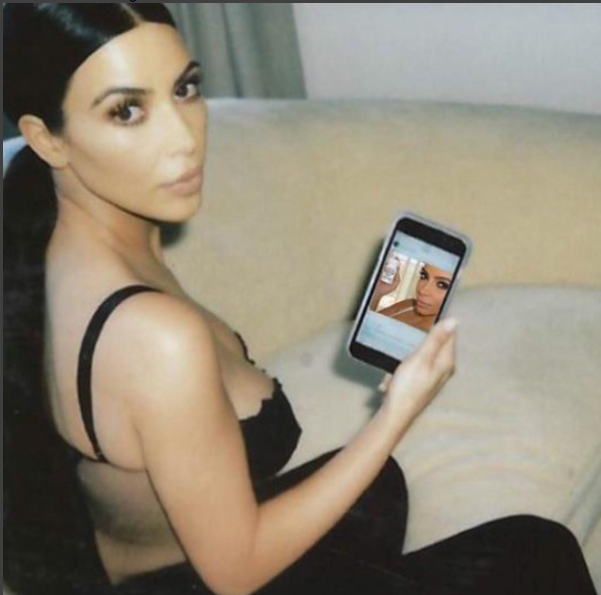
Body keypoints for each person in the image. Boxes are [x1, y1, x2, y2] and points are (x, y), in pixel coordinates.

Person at [3, 5, 597, 595]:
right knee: (536, 552)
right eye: (127, 110)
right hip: (211, 578)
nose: (184, 139)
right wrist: (398, 413)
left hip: (162, 558)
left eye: (185, 89)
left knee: (393, 495)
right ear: (46, 138)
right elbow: (235, 574)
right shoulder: (153, 335)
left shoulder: (70, 242)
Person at [373, 264, 452, 332]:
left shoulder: (443, 336)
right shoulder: (409, 305)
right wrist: (378, 292)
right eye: (424, 276)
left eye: (442, 285)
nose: (423, 290)